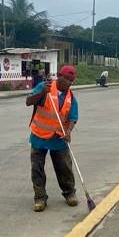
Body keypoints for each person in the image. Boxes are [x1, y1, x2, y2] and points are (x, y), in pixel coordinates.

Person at [25, 64, 78, 212]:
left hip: (58, 138)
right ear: (59, 76)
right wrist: (41, 92)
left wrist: (68, 131)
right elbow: (28, 101)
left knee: (65, 168)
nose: (68, 83)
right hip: (39, 136)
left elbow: (73, 117)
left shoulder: (70, 96)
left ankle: (70, 193)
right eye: (66, 79)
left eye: (71, 80)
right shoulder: (45, 86)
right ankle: (40, 197)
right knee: (37, 169)